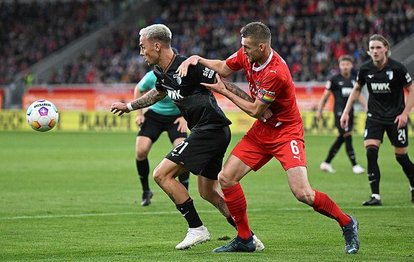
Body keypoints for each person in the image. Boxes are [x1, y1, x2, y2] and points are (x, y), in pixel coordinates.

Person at [177, 21, 360, 254]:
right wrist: (197, 58)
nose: (243, 51)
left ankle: (347, 223)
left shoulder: (276, 73)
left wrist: (223, 91)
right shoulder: (248, 54)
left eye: (247, 48)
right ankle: (245, 238)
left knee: (303, 193)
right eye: (242, 46)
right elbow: (223, 67)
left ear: (262, 47)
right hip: (263, 131)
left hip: (286, 132)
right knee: (227, 178)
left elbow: (255, 110)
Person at [110, 24, 264, 250]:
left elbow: (225, 84)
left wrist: (255, 107)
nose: (141, 52)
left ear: (157, 45)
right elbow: (158, 92)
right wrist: (130, 106)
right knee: (208, 192)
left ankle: (197, 229)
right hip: (210, 131)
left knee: (162, 175)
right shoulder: (160, 73)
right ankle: (249, 237)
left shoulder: (188, 66)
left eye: (143, 47)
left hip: (210, 129)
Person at [340, 34, 414, 206]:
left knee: (401, 157)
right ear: (368, 51)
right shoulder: (365, 69)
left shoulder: (398, 68)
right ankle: (376, 196)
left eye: (378, 47)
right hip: (375, 118)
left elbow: (411, 90)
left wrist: (405, 114)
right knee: (371, 152)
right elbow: (356, 89)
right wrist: (346, 112)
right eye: (372, 48)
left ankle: (413, 185)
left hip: (396, 119)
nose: (375, 51)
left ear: (386, 49)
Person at [133, 70, 190, 206]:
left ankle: (184, 192)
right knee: (141, 151)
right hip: (155, 115)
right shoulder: (152, 75)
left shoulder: (182, 75)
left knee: (183, 152)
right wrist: (139, 114)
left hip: (177, 116)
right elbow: (138, 89)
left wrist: (185, 117)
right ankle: (146, 191)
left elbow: (192, 95)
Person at [316, 55, 366, 175]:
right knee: (347, 135)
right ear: (339, 66)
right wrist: (319, 110)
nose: (345, 67)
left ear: (351, 66)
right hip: (339, 112)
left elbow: (358, 95)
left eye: (347, 64)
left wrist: (366, 106)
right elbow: (325, 96)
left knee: (342, 138)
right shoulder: (334, 79)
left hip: (350, 112)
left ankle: (326, 163)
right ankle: (355, 165)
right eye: (343, 65)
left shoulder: (355, 79)